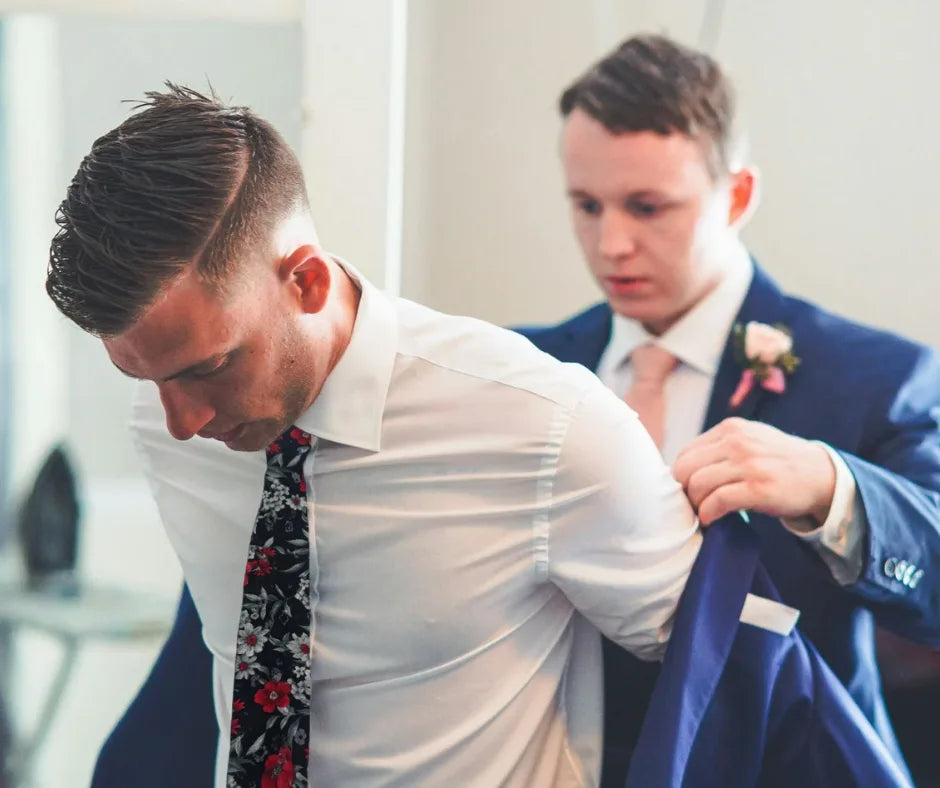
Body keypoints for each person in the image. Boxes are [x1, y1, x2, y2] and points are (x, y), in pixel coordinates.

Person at [48, 84, 703, 788]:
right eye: (142, 377)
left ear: (306, 281)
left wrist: (833, 500)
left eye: (209, 367)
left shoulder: (548, 426)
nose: (183, 423)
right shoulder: (170, 418)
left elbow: (726, 674)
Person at [513, 33, 940, 784]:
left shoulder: (876, 375)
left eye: (648, 207)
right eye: (587, 205)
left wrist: (832, 488)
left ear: (736, 196)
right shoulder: (520, 369)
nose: (611, 243)